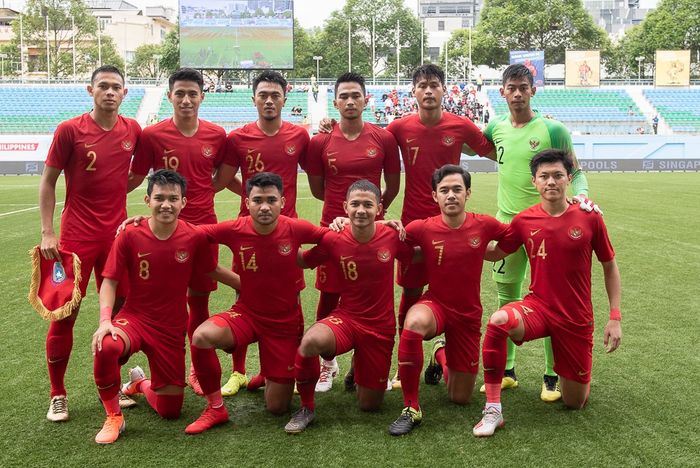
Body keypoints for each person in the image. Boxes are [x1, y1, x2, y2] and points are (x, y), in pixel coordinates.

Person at [473, 149, 622, 437]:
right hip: (538, 308)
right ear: (534, 182)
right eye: (544, 176)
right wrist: (464, 239)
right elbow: (496, 252)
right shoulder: (523, 220)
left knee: (574, 402)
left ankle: (569, 373)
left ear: (569, 179)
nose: (550, 181)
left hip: (576, 317)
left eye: (557, 175)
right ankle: (493, 409)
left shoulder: (590, 217)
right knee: (499, 320)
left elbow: (610, 266)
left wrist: (614, 316)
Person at [90, 170, 236, 444]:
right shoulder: (130, 234)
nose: (165, 204)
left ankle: (138, 384)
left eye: (173, 198)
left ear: (183, 203)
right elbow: (109, 281)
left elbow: (212, 270)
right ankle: (113, 415)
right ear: (147, 200)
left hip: (171, 327)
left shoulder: (193, 236)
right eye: (159, 198)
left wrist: (245, 285)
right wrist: (105, 320)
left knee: (170, 411)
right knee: (106, 344)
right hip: (134, 319)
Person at [482, 63, 596, 401]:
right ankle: (507, 371)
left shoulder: (552, 129)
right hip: (507, 225)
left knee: (553, 301)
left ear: (533, 90)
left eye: (523, 87)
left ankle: (552, 376)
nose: (517, 94)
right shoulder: (496, 127)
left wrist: (583, 198)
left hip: (547, 229)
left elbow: (575, 171)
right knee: (506, 295)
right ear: (502, 92)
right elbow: (471, 144)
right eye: (511, 88)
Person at [184, 172, 327, 434]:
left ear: (282, 202)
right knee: (203, 335)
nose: (264, 206)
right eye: (257, 200)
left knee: (276, 408)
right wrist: (146, 222)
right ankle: (215, 408)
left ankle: (269, 372)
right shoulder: (234, 228)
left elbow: (331, 239)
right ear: (246, 201)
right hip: (247, 313)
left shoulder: (296, 227)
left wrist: (309, 258)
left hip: (283, 323)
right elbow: (191, 233)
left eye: (271, 200)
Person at [38, 65, 142, 422]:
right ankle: (58, 394)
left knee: (122, 313)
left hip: (116, 238)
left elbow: (137, 172)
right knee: (65, 315)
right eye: (103, 86)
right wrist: (47, 232)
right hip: (75, 239)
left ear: (125, 93)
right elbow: (48, 181)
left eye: (116, 87)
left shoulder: (133, 130)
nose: (110, 92)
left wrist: (117, 196)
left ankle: (111, 387)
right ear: (90, 90)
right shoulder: (70, 130)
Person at [384, 64, 494, 388]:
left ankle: (446, 352)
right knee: (410, 291)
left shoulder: (460, 125)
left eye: (434, 85)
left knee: (456, 293)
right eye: (422, 86)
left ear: (445, 90)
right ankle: (404, 365)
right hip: (413, 227)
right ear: (413, 92)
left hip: (452, 224)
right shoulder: (399, 128)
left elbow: (495, 150)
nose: (428, 91)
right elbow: (373, 148)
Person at [128, 68, 236, 395]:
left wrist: (206, 194)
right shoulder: (152, 135)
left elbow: (220, 178)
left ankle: (196, 369)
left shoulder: (218, 135)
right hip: (164, 232)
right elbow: (136, 178)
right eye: (180, 93)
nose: (186, 100)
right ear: (170, 96)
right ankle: (155, 369)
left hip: (204, 229)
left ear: (203, 96)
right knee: (163, 300)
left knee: (199, 301)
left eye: (193, 93)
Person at [284, 180, 415, 434]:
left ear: (379, 208)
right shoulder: (335, 238)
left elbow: (415, 254)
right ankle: (306, 408)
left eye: (368, 205)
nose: (361, 210)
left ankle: (358, 367)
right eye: (355, 204)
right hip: (347, 319)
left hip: (380, 328)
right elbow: (303, 260)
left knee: (369, 405)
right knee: (310, 342)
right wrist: (282, 236)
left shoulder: (391, 235)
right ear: (345, 207)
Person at [388, 165, 509, 436]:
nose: (451, 195)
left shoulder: (485, 224)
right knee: (414, 322)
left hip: (467, 314)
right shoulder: (423, 227)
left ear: (468, 193)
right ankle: (411, 407)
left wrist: (489, 253)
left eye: (457, 189)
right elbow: (395, 240)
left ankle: (439, 354)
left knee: (460, 397)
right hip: (437, 304)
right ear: (435, 196)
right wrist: (380, 223)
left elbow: (512, 237)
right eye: (444, 190)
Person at [306, 72, 401, 392]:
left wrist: (375, 218)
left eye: (355, 96)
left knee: (373, 296)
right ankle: (327, 365)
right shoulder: (321, 141)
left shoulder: (383, 138)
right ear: (335, 102)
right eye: (343, 96)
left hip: (372, 231)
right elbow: (318, 190)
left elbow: (392, 186)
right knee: (329, 294)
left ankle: (367, 363)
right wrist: (341, 218)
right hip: (332, 229)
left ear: (365, 100)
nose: (349, 101)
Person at [221, 70, 311, 396]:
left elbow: (318, 171)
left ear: (285, 98)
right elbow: (223, 179)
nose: (269, 100)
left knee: (292, 299)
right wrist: (250, 201)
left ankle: (287, 368)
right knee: (243, 296)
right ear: (254, 98)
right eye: (263, 95)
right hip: (248, 232)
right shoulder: (237, 138)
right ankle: (239, 372)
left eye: (275, 95)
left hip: (288, 232)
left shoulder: (299, 136)